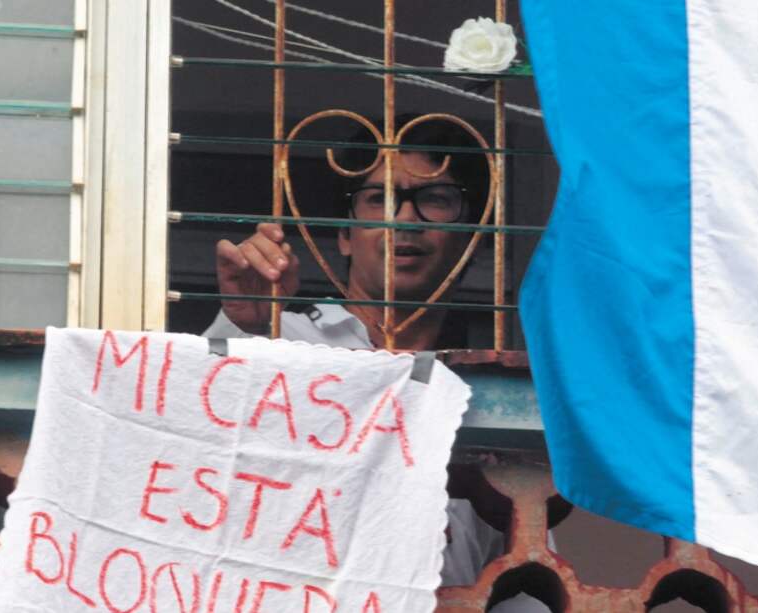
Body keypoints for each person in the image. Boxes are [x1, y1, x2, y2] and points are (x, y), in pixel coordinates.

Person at [205, 118, 549, 611]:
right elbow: (199, 428)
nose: (404, 220)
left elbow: (529, 584)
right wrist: (248, 330)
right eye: (378, 198)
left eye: (434, 199)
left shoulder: (482, 397)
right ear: (346, 234)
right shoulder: (287, 339)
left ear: (471, 239)